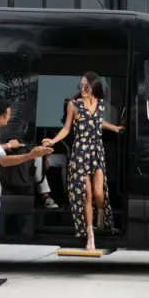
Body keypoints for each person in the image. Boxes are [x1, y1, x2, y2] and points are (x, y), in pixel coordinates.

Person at [0, 99, 52, 287]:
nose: (10, 115)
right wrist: (32, 155)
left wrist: (8, 146)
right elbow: (4, 162)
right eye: (8, 113)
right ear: (0, 117)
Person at [42, 72, 124, 251]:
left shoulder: (101, 104)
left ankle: (100, 212)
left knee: (98, 192)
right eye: (81, 86)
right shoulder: (74, 105)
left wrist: (115, 128)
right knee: (87, 193)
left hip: (97, 152)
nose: (83, 89)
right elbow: (66, 129)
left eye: (86, 86)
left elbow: (98, 121)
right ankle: (90, 234)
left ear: (95, 87)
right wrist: (53, 140)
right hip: (80, 152)